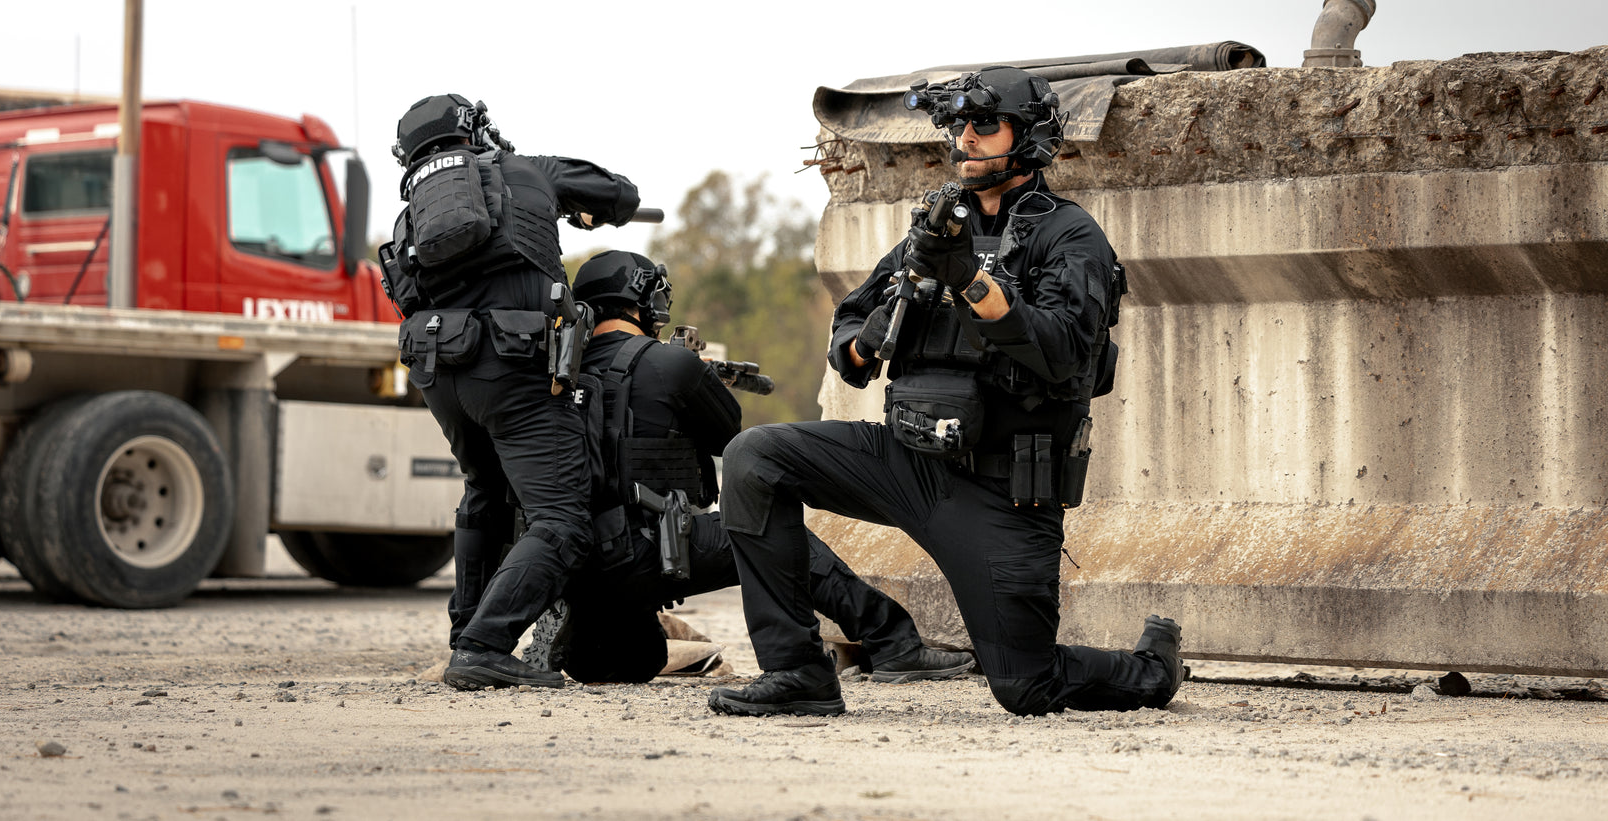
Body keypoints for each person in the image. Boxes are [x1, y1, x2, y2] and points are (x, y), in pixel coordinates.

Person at [706, 67, 1185, 717]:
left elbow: (1062, 356)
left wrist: (970, 281)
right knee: (753, 458)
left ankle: (1153, 669)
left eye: (984, 124)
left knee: (1025, 684)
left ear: (1031, 134)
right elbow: (848, 337)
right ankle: (797, 673)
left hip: (1003, 490)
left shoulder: (1069, 236)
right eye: (958, 125)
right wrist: (863, 338)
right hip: (903, 460)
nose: (965, 137)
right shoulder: (931, 231)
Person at [530, 251, 975, 686]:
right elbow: (732, 439)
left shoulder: (557, 371)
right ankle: (895, 643)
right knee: (776, 536)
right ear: (641, 300)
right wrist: (697, 378)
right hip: (646, 554)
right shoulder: (669, 364)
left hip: (570, 560)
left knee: (627, 661)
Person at [380, 93, 639, 690]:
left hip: (440, 374)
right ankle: (484, 645)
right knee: (561, 520)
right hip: (514, 369)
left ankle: (465, 633)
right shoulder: (523, 171)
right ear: (474, 130)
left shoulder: (411, 216)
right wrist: (577, 209)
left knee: (485, 492)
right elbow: (621, 194)